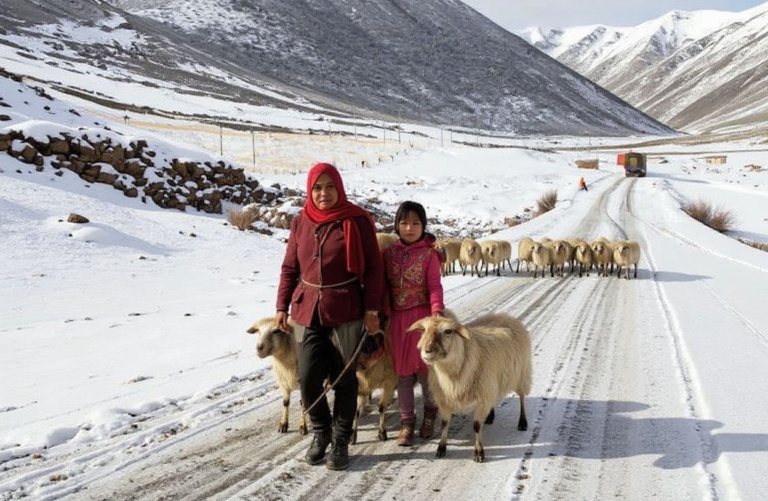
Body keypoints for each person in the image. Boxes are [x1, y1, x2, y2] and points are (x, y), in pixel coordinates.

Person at [275, 162, 383, 471]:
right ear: (310, 191)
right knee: (307, 378)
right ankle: (321, 432)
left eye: (330, 186)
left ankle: (339, 440)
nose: (324, 193)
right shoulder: (300, 222)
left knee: (344, 378)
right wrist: (282, 305)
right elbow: (289, 268)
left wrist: (371, 309)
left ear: (340, 187)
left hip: (346, 308)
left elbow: (374, 269)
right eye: (317, 188)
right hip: (306, 311)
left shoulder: (357, 221)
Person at [381, 201, 444, 447]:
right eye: (404, 222)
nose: (409, 228)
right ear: (397, 225)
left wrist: (436, 312)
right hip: (397, 322)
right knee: (403, 374)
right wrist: (383, 311)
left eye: (416, 223)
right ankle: (407, 423)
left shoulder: (430, 254)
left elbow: (435, 287)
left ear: (424, 226)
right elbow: (383, 285)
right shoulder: (388, 254)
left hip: (423, 320)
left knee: (426, 372)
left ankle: (430, 415)